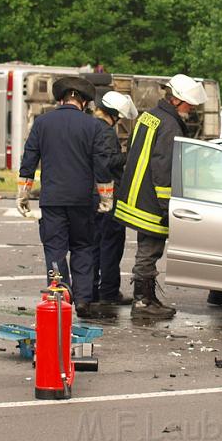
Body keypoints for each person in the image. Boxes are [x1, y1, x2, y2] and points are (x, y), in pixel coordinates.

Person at [16, 76, 112, 319]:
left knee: (55, 249)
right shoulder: (93, 126)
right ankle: (83, 300)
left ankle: (60, 295)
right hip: (82, 200)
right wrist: (105, 197)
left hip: (52, 199)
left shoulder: (43, 123)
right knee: (83, 248)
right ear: (84, 102)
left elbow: (29, 159)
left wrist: (23, 193)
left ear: (61, 99)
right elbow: (101, 164)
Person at [114, 74, 207, 319]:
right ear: (177, 100)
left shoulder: (149, 117)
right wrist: (168, 207)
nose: (193, 108)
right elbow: (164, 168)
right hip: (152, 202)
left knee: (146, 249)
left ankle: (146, 299)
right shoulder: (169, 125)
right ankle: (144, 302)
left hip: (136, 197)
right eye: (190, 104)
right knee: (149, 250)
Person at [91, 91, 138, 307]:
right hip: (108, 194)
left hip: (90, 195)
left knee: (93, 245)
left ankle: (90, 289)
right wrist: (128, 156)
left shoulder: (90, 127)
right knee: (111, 245)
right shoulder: (107, 132)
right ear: (115, 115)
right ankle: (109, 291)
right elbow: (108, 161)